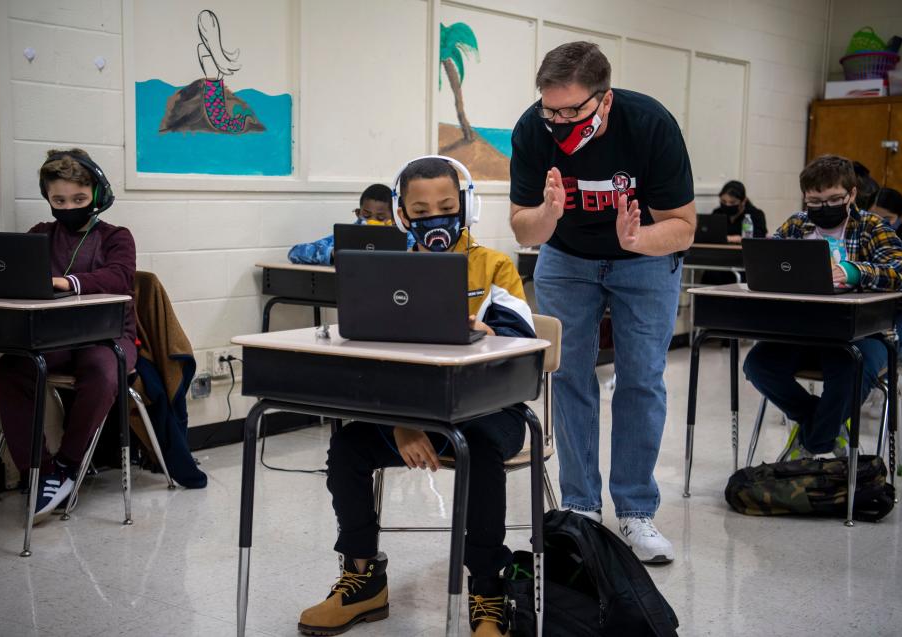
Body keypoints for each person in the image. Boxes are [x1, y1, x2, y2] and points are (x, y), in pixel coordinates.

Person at [298, 157, 535, 637]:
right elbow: (372, 354)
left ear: (466, 207)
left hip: (489, 412)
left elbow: (523, 340)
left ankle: (488, 589)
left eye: (446, 206)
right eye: (421, 209)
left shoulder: (493, 266)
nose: (435, 219)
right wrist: (403, 424)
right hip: (412, 413)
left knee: (481, 451)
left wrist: (488, 333)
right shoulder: (387, 270)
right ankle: (363, 578)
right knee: (347, 447)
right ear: (403, 214)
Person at [508, 41, 695, 564]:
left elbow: (682, 228)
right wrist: (546, 216)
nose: (560, 120)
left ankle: (636, 511)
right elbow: (523, 226)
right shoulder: (531, 129)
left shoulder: (650, 124)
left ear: (604, 100)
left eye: (574, 110)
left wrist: (636, 241)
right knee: (567, 375)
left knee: (641, 379)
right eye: (552, 110)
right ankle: (580, 506)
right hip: (567, 258)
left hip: (646, 258)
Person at [0, 149, 137, 523]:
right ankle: (39, 473)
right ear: (47, 198)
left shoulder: (117, 237)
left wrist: (67, 282)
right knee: (9, 370)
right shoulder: (39, 236)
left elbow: (119, 278)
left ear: (97, 197)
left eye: (78, 199)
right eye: (58, 200)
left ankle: (69, 465)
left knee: (103, 372)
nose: (68, 206)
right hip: (54, 338)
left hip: (108, 337)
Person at [743, 155, 902, 460]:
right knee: (758, 366)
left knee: (850, 370)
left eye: (834, 199)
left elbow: (899, 270)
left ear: (852, 194)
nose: (824, 208)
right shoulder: (797, 224)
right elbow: (767, 261)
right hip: (805, 329)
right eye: (814, 201)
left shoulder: (871, 226)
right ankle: (822, 427)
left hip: (862, 334)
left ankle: (811, 443)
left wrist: (855, 271)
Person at [287, 184, 414, 265]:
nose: (372, 221)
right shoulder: (349, 235)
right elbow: (295, 253)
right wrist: (332, 254)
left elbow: (419, 261)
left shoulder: (405, 236)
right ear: (358, 213)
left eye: (381, 217)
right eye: (367, 215)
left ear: (394, 218)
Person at [701, 180, 767, 285]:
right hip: (719, 261)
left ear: (743, 201)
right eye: (723, 201)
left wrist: (730, 238)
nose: (727, 205)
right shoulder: (717, 213)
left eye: (732, 202)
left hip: (744, 262)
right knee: (710, 275)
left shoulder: (756, 215)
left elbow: (759, 237)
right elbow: (710, 234)